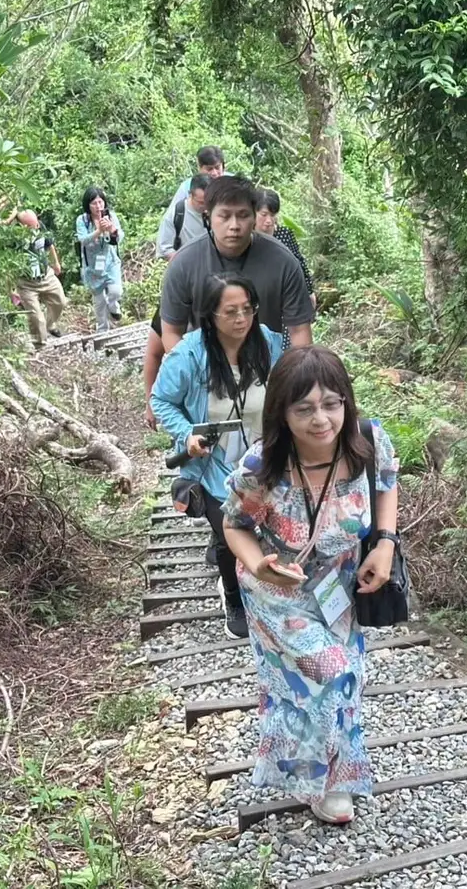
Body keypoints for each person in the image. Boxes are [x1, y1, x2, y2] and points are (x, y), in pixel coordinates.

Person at [222, 346, 400, 825]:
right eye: (304, 409)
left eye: (331, 404)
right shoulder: (262, 467)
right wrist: (259, 566)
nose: (321, 419)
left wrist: (384, 542)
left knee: (343, 682)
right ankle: (315, 778)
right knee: (331, 673)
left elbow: (386, 483)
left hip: (339, 586)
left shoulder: (366, 441)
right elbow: (234, 526)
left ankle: (330, 778)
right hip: (277, 593)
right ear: (282, 411)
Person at [151, 275, 285, 639]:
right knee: (231, 534)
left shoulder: (270, 344)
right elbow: (161, 400)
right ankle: (234, 597)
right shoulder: (190, 354)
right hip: (215, 465)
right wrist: (187, 433)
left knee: (270, 530)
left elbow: (290, 388)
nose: (242, 319)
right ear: (211, 315)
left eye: (248, 309)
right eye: (231, 312)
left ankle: (271, 590)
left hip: (263, 459)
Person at [159, 175, 314, 354]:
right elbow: (171, 331)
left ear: (254, 217)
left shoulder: (283, 262)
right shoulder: (184, 264)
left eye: (243, 215)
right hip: (204, 370)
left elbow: (300, 332)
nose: (234, 225)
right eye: (224, 216)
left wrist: (295, 377)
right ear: (208, 218)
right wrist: (191, 372)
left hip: (266, 368)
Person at [256, 188, 316, 317]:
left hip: (286, 297)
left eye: (272, 215)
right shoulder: (246, 238)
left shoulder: (284, 235)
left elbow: (299, 263)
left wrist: (309, 291)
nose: (268, 220)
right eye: (264, 214)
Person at [14, 210, 65, 348]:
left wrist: (56, 263)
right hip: (26, 282)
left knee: (59, 301)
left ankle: (51, 324)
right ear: (22, 227)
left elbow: (50, 244)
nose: (35, 228)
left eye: (36, 224)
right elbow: (6, 265)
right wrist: (11, 289)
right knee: (36, 318)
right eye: (31, 226)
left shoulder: (40, 226)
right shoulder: (13, 238)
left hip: (45, 274)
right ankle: (39, 345)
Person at [75, 187, 124, 331]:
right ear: (88, 205)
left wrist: (112, 230)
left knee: (116, 291)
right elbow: (83, 240)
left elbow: (120, 237)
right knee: (99, 301)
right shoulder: (82, 220)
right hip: (92, 267)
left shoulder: (111, 216)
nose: (98, 206)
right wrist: (99, 231)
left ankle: (114, 306)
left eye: (100, 202)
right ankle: (102, 330)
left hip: (110, 262)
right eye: (94, 203)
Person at [157, 174, 210, 261]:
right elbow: (165, 249)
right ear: (190, 195)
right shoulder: (176, 214)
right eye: (201, 202)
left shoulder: (218, 211)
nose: (205, 206)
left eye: (209, 201)